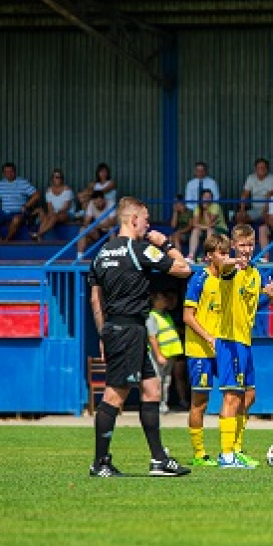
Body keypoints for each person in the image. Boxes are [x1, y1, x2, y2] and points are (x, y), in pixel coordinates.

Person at [87, 196, 192, 477]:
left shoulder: (101, 253)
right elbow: (184, 269)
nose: (147, 225)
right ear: (133, 220)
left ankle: (159, 460)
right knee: (115, 394)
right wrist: (165, 243)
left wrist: (103, 333)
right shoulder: (139, 249)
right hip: (130, 329)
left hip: (117, 328)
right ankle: (100, 463)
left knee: (152, 389)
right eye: (145, 220)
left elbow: (95, 299)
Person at [216, 224, 273, 468]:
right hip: (229, 339)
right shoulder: (230, 270)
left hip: (245, 341)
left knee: (250, 396)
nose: (246, 249)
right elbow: (222, 265)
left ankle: (236, 449)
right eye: (242, 245)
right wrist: (233, 262)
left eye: (250, 244)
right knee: (232, 396)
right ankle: (225, 456)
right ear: (234, 246)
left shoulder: (255, 273)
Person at [183, 233, 230, 467]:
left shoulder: (228, 279)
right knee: (200, 402)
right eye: (221, 253)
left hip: (223, 348)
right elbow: (187, 316)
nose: (225, 257)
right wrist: (209, 337)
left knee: (240, 394)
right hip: (199, 350)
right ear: (210, 256)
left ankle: (230, 450)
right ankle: (199, 454)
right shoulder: (199, 279)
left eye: (227, 253)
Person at [0, 162, 40, 243]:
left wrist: (26, 205)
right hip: (3, 213)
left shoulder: (23, 182)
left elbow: (36, 195)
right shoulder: (0, 184)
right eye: (6, 172)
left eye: (11, 171)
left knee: (16, 219)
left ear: (15, 172)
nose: (9, 174)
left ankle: (7, 240)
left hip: (18, 212)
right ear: (3, 173)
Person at [147, 290, 183, 414]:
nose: (165, 301)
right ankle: (156, 406)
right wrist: (158, 355)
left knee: (166, 381)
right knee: (158, 380)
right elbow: (152, 337)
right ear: (155, 302)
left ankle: (163, 405)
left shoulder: (165, 315)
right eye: (162, 299)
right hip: (160, 355)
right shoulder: (152, 316)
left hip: (170, 354)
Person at [187, 189, 228, 262]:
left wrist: (205, 210)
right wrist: (206, 227)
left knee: (209, 230)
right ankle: (191, 256)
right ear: (201, 198)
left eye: (209, 197)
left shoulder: (215, 206)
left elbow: (209, 222)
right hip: (205, 229)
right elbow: (194, 224)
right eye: (205, 197)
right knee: (195, 230)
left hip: (220, 229)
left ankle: (208, 255)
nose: (207, 199)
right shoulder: (197, 207)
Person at [33, 168, 74, 240]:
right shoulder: (48, 191)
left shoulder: (67, 190)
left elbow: (66, 207)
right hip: (55, 213)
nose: (58, 179)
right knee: (46, 217)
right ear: (52, 179)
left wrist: (54, 213)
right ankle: (39, 236)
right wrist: (51, 213)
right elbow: (49, 207)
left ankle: (39, 234)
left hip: (67, 213)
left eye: (60, 177)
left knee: (54, 217)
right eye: (56, 177)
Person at [238, 157, 273, 226]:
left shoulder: (271, 178)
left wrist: (265, 211)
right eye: (259, 167)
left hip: (268, 209)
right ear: (255, 169)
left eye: (264, 167)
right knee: (239, 217)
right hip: (255, 209)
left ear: (267, 169)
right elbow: (245, 194)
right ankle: (243, 236)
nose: (262, 169)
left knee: (268, 220)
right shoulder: (250, 178)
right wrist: (242, 210)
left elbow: (270, 195)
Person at [77, 190, 116, 258]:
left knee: (112, 229)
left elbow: (112, 222)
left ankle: (112, 257)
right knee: (83, 229)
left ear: (104, 200)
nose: (98, 204)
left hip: (109, 231)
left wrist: (97, 226)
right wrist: (90, 226)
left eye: (100, 202)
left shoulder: (111, 203)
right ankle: (79, 257)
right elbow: (86, 221)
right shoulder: (91, 203)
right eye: (96, 203)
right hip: (97, 231)